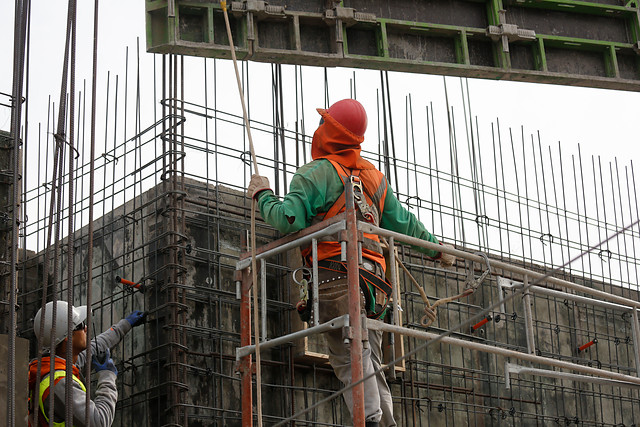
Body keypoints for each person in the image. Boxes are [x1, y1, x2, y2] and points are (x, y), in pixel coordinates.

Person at [248, 98, 455, 427]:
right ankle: (385, 422)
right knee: (370, 359)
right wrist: (436, 248)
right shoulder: (373, 177)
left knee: (350, 363)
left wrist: (262, 195)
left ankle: (369, 420)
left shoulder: (315, 174)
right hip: (376, 285)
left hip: (336, 278)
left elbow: (288, 218)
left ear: (329, 130)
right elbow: (403, 225)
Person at [28, 300, 146, 426]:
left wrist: (125, 324)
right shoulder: (59, 383)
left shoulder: (57, 364)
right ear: (68, 338)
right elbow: (100, 422)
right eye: (80, 325)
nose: (85, 328)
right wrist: (107, 376)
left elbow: (96, 346)